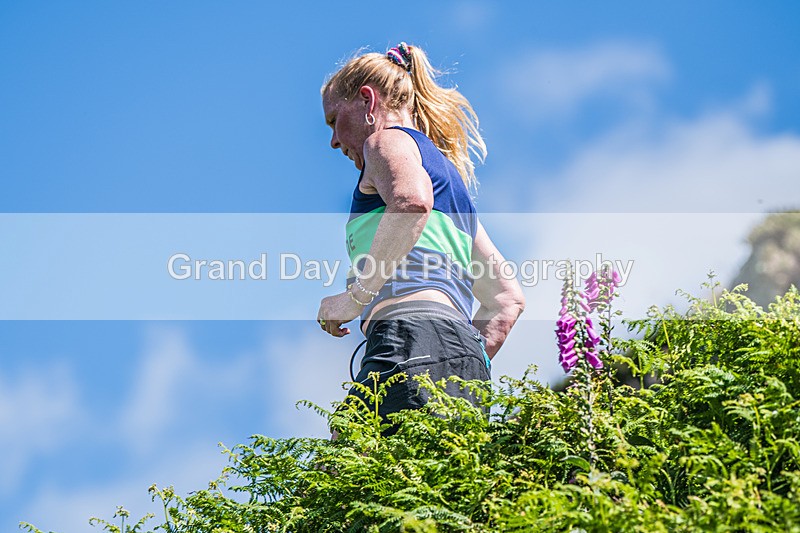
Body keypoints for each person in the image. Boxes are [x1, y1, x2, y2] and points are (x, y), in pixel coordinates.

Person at [316, 42, 524, 430]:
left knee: (351, 478)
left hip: (407, 340)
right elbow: (506, 300)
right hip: (463, 359)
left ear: (367, 101)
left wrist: (354, 297)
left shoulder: (385, 141)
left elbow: (410, 202)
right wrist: (460, 358)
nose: (332, 140)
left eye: (333, 120)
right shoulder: (450, 184)